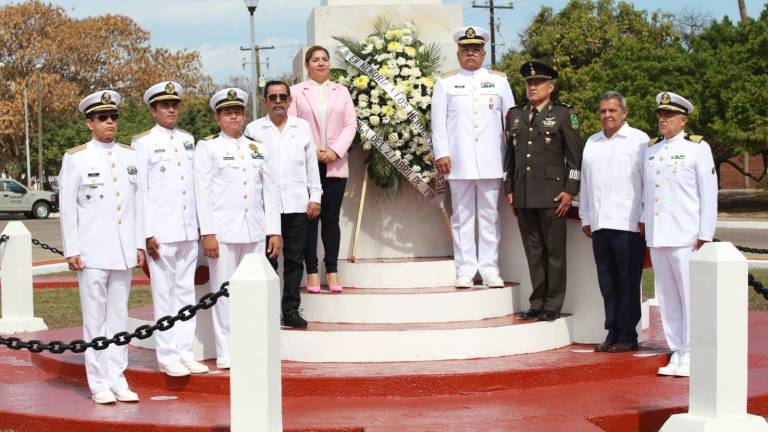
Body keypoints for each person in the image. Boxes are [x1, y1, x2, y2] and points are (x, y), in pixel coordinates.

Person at [59, 90, 145, 404]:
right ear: (89, 123)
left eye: (113, 117)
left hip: (123, 252)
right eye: (102, 118)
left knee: (118, 317)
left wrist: (138, 244)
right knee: (94, 319)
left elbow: (137, 203)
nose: (110, 122)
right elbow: (68, 207)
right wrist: (72, 248)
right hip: (92, 251)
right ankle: (98, 382)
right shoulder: (77, 157)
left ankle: (117, 377)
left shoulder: (129, 156)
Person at [194, 87, 282, 369]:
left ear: (244, 116)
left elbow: (271, 191)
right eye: (227, 112)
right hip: (223, 232)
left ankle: (251, 345)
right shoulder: (208, 147)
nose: (234, 117)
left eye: (238, 112)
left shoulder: (257, 148)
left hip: (254, 230)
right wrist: (207, 231)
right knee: (223, 291)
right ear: (218, 117)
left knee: (253, 291)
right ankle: (226, 350)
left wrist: (274, 230)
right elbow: (202, 192)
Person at [132, 81, 209, 376]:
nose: (171, 110)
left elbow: (195, 187)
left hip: (189, 229)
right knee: (164, 295)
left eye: (175, 104)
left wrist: (201, 226)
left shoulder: (189, 140)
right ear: (153, 110)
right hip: (161, 232)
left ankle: (185, 351)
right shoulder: (144, 143)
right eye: (165, 105)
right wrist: (148, 232)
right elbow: (143, 191)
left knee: (185, 294)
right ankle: (167, 356)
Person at [431, 26, 515, 289]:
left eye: (476, 50)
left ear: (483, 53)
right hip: (458, 161)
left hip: (492, 161)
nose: (471, 54)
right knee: (462, 217)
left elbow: (511, 122)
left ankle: (490, 269)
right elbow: (438, 123)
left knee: (490, 217)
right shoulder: (445, 83)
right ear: (458, 53)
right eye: (466, 50)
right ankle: (466, 269)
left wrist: (510, 161)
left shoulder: (499, 81)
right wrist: (441, 153)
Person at [642, 91, 717, 377]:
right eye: (660, 115)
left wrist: (705, 233)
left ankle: (692, 352)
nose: (663, 120)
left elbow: (708, 195)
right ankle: (676, 350)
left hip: (686, 236)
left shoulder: (697, 148)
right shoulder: (650, 150)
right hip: (659, 236)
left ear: (683, 119)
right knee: (667, 297)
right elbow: (648, 194)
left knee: (689, 296)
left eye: (669, 115)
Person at [504, 61, 583, 321]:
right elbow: (511, 156)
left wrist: (570, 189)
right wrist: (510, 188)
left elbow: (574, 158)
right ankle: (537, 302)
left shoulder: (563, 115)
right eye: (529, 83)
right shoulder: (514, 115)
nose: (532, 87)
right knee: (533, 252)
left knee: (555, 252)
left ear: (551, 86)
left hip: (553, 195)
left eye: (538, 83)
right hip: (524, 194)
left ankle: (552, 305)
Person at [245, 80, 322, 328]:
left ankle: (290, 310)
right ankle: (267, 312)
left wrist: (315, 195)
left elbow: (311, 164)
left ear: (290, 101)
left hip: (297, 204)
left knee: (294, 260)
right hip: (267, 209)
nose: (278, 101)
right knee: (267, 261)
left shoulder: (302, 127)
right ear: (265, 101)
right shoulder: (254, 129)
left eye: (282, 97)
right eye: (273, 97)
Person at [579, 91, 648, 352]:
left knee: (628, 281)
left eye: (612, 111)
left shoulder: (639, 141)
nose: (607, 115)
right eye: (603, 111)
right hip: (600, 224)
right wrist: (586, 216)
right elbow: (586, 182)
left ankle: (628, 335)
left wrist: (644, 217)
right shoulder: (592, 142)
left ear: (624, 113)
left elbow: (647, 184)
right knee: (607, 282)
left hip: (628, 224)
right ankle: (612, 331)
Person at [288, 45, 356, 293]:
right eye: (315, 60)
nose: (321, 63)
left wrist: (335, 151)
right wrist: (314, 150)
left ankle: (332, 268)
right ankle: (313, 270)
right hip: (308, 163)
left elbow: (351, 125)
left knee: (331, 218)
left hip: (335, 163)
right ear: (307, 65)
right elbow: (293, 125)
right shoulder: (296, 92)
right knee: (310, 218)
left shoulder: (342, 91)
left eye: (325, 59)